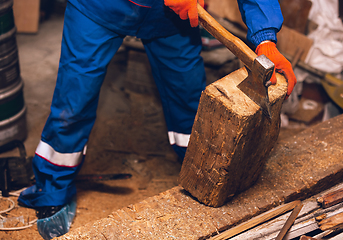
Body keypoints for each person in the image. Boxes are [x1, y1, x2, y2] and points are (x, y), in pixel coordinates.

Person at [18, 0, 296, 239]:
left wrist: (265, 38)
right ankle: (52, 188)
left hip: (170, 18)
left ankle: (203, 176)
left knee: (190, 102)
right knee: (74, 100)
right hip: (101, 8)